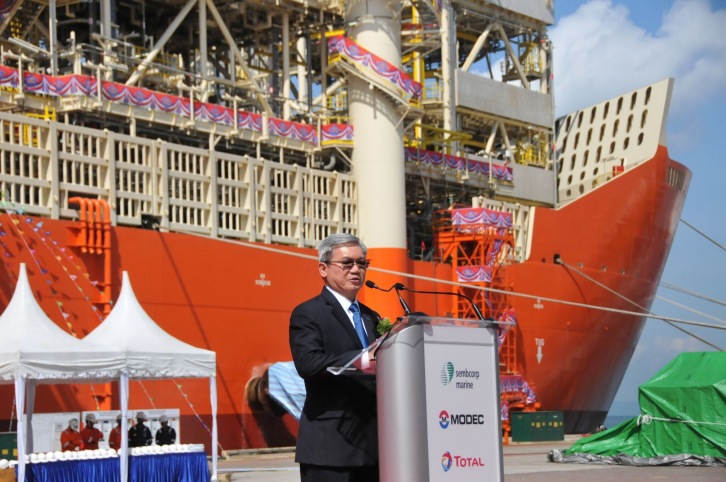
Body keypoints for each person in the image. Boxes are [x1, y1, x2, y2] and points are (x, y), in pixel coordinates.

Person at [289, 233, 381, 482]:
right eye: (347, 263)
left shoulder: (372, 317)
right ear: (323, 268)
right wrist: (363, 358)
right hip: (330, 447)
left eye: (362, 263)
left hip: (374, 446)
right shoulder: (309, 313)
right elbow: (308, 364)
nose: (356, 270)